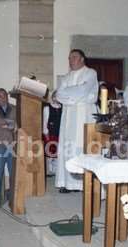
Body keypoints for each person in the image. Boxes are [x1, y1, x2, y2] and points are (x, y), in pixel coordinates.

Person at [52, 49, 98, 193]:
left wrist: (67, 96)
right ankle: (67, 182)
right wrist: (71, 96)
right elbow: (58, 94)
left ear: (82, 59)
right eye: (69, 58)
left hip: (85, 114)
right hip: (69, 115)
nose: (71, 60)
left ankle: (83, 183)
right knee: (68, 146)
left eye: (74, 57)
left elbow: (83, 91)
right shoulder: (66, 77)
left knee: (83, 145)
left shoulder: (90, 73)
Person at [0, 88, 16, 206]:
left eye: (4, 95)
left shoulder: (14, 108)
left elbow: (15, 123)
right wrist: (9, 124)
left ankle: (12, 195)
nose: (2, 98)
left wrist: (8, 124)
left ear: (7, 96)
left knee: (12, 171)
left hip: (11, 143)